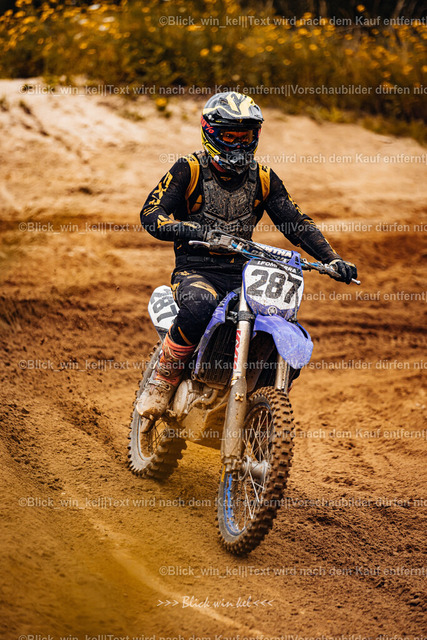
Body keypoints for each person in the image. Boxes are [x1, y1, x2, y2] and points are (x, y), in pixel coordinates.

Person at [137, 91, 357, 420]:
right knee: (199, 306)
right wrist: (191, 229)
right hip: (196, 270)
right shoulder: (189, 169)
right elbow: (151, 214)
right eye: (230, 136)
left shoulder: (263, 178)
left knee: (280, 317)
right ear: (210, 133)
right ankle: (163, 379)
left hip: (243, 273)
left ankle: (258, 401)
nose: (239, 144)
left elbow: (296, 223)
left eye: (246, 136)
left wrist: (331, 258)